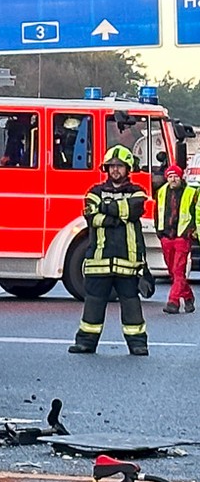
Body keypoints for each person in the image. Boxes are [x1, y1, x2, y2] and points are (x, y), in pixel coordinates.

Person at [71, 146, 149, 355]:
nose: (115, 170)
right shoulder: (94, 191)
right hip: (99, 260)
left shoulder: (137, 191)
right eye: (112, 166)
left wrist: (108, 209)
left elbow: (134, 209)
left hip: (127, 260)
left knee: (131, 304)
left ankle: (138, 344)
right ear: (106, 168)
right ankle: (86, 342)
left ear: (128, 168)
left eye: (120, 166)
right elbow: (91, 217)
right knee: (93, 303)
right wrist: (117, 215)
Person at [154, 165, 196, 314]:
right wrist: (159, 232)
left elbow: (195, 213)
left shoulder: (192, 193)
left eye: (176, 176)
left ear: (181, 177)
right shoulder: (161, 192)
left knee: (178, 270)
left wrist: (191, 232)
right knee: (173, 271)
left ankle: (173, 302)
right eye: (170, 176)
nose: (173, 179)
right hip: (166, 236)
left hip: (182, 237)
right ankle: (188, 296)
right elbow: (157, 212)